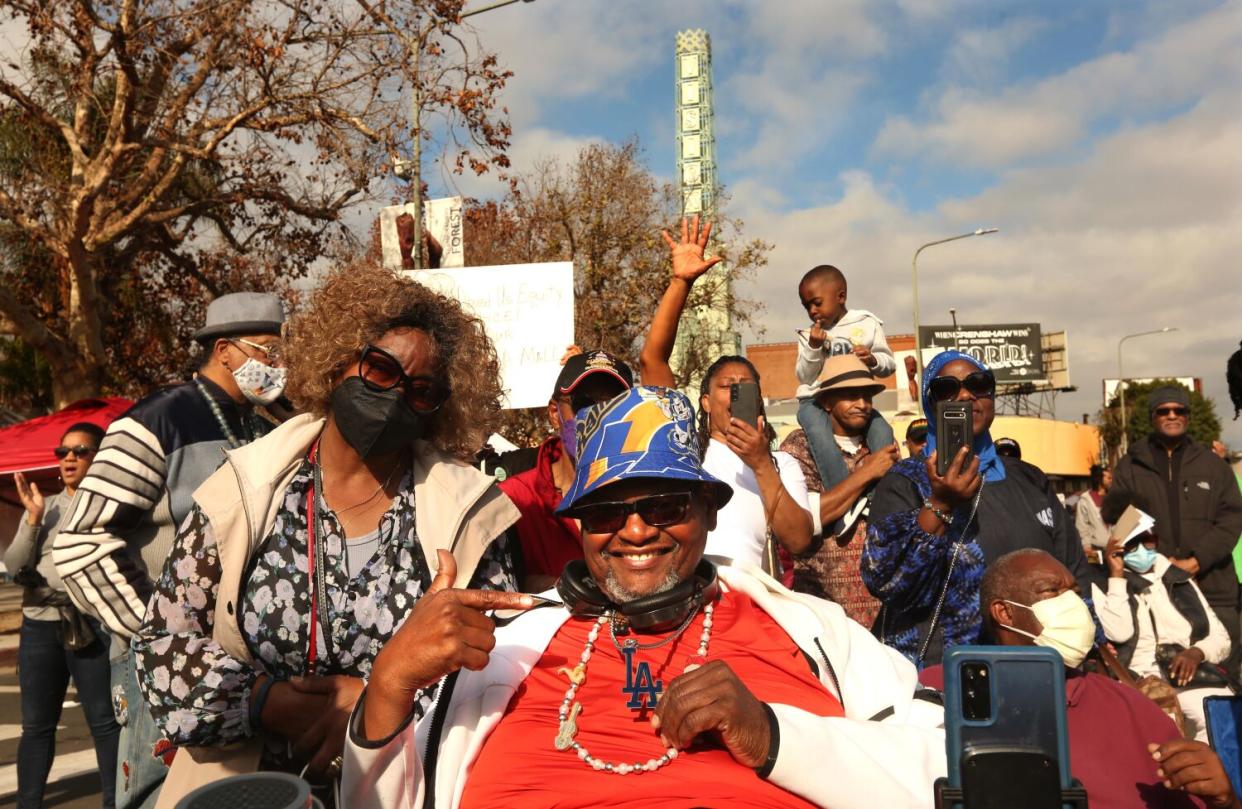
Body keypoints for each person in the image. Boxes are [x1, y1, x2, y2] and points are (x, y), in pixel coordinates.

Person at [341, 385, 946, 809]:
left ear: (708, 512)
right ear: (579, 526)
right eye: (607, 511)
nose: (634, 531)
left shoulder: (808, 628)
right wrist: (390, 683)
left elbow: (946, 766)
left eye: (662, 506)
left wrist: (773, 735)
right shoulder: (506, 648)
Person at [129, 263, 520, 803]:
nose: (396, 394)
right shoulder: (244, 488)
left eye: (422, 389)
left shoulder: (470, 514)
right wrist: (265, 700)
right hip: (251, 788)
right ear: (337, 363)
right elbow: (160, 647)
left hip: (405, 785)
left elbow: (495, 672)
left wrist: (380, 703)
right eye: (380, 370)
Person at [51, 291, 285, 809]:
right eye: (266, 350)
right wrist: (156, 634)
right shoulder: (159, 418)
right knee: (161, 797)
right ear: (224, 350)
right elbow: (79, 543)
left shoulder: (268, 422)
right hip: (165, 667)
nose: (277, 365)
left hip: (247, 664)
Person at [922, 548, 1240, 809]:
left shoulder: (1131, 708)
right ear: (1005, 613)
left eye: (1075, 592)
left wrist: (1225, 799)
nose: (1073, 603)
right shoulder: (938, 693)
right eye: (1052, 591)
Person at [863, 350, 1089, 667]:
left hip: (1038, 666)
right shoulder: (904, 482)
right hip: (942, 677)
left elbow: (1073, 570)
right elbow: (888, 583)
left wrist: (1090, 647)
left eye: (978, 384)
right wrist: (940, 504)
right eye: (947, 389)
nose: (966, 395)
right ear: (931, 404)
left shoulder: (1028, 477)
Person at [639, 216, 813, 571]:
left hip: (753, 613)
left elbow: (798, 540)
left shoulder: (782, 464)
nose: (735, 393)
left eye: (744, 387)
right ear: (704, 401)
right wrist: (680, 283)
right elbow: (652, 359)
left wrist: (762, 463)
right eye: (725, 386)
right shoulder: (684, 451)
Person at [5, 424, 120, 809]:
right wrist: (33, 519)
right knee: (36, 727)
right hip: (41, 626)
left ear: (98, 457)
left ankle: (114, 802)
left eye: (80, 451)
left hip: (94, 624)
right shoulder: (46, 506)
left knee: (104, 724)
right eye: (63, 452)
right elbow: (14, 565)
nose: (69, 458)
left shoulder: (114, 506)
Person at [1102, 386, 1242, 670]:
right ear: (1153, 417)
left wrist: (1196, 561)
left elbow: (1231, 519)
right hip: (1156, 590)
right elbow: (1120, 518)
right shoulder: (1132, 465)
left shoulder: (1213, 465)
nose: (1172, 416)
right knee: (1161, 679)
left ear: (1188, 417)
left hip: (1213, 586)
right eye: (1163, 411)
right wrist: (1159, 564)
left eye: (1179, 410)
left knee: (1226, 674)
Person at [778, 355, 897, 627]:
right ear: (827, 402)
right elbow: (806, 519)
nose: (862, 404)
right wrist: (867, 473)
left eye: (867, 396)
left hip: (883, 610)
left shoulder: (882, 446)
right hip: (822, 611)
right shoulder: (798, 448)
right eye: (851, 396)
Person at [500, 349, 633, 591]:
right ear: (554, 413)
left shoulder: (644, 496)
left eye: (615, 406)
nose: (598, 417)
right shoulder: (513, 500)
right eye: (584, 404)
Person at [1094, 531, 1233, 742]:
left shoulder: (1180, 580)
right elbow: (1119, 633)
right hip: (1141, 679)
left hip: (1190, 676)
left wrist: (1197, 652)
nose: (1141, 549)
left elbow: (1221, 637)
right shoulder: (1106, 585)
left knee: (1225, 716)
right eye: (1132, 543)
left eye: (1147, 540)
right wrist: (1116, 577)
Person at [794, 264, 897, 493]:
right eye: (806, 306)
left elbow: (889, 364)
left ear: (841, 296)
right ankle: (843, 495)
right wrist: (813, 347)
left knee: (883, 433)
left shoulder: (866, 323)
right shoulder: (809, 335)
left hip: (855, 399)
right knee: (821, 439)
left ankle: (878, 496)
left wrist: (872, 359)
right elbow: (804, 376)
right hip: (815, 400)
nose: (812, 311)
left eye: (816, 302)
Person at [1076, 464, 1113, 553]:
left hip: (1113, 547)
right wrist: (1086, 546)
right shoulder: (1085, 500)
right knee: (1095, 567)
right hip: (1095, 549)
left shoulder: (1113, 498)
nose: (1111, 481)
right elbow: (1082, 526)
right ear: (1099, 479)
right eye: (1108, 478)